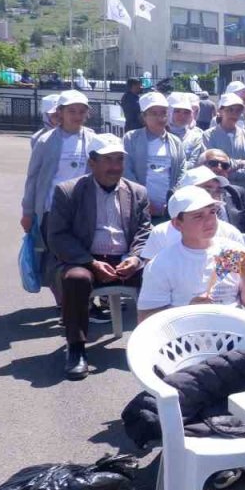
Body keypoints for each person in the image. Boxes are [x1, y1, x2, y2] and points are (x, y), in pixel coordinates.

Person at [46, 134, 151, 379]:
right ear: (91, 162)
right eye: (108, 160)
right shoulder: (69, 191)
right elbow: (58, 236)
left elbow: (145, 231)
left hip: (126, 260)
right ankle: (76, 348)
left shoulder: (137, 192)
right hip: (86, 259)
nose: (115, 167)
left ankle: (153, 345)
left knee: (158, 273)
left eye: (119, 160)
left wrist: (136, 257)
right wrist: (90, 262)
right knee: (76, 279)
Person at [137, 186, 245, 321]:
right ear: (177, 224)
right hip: (185, 338)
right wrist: (188, 311)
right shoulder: (162, 264)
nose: (210, 221)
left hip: (234, 333)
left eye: (212, 212)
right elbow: (145, 319)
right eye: (198, 216)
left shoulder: (233, 251)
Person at [21, 90, 98, 236]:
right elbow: (33, 178)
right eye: (71, 111)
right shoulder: (45, 141)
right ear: (60, 112)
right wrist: (28, 212)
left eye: (82, 111)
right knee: (51, 254)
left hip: (81, 210)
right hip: (52, 208)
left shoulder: (93, 139)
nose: (77, 116)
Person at [141, 166, 245, 261]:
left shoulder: (229, 233)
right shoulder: (160, 233)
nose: (214, 195)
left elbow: (234, 277)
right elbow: (152, 276)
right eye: (207, 189)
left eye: (218, 190)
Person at [122, 91, 186, 217]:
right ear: (144, 116)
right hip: (138, 206)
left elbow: (182, 172)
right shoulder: (131, 138)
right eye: (154, 113)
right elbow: (127, 171)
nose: (160, 117)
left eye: (163, 113)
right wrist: (143, 201)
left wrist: (172, 199)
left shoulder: (175, 142)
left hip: (169, 207)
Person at [201, 92, 245, 201]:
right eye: (230, 109)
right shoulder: (208, 136)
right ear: (220, 111)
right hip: (221, 192)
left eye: (238, 110)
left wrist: (228, 172)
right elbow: (212, 167)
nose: (234, 114)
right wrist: (241, 163)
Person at [200, 149, 245, 234]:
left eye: (225, 165)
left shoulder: (237, 192)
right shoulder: (188, 196)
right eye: (213, 163)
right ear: (199, 166)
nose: (219, 168)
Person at [167, 93, 205, 165]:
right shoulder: (158, 134)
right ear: (169, 112)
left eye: (186, 112)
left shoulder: (196, 136)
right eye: (177, 111)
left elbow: (194, 163)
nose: (182, 115)